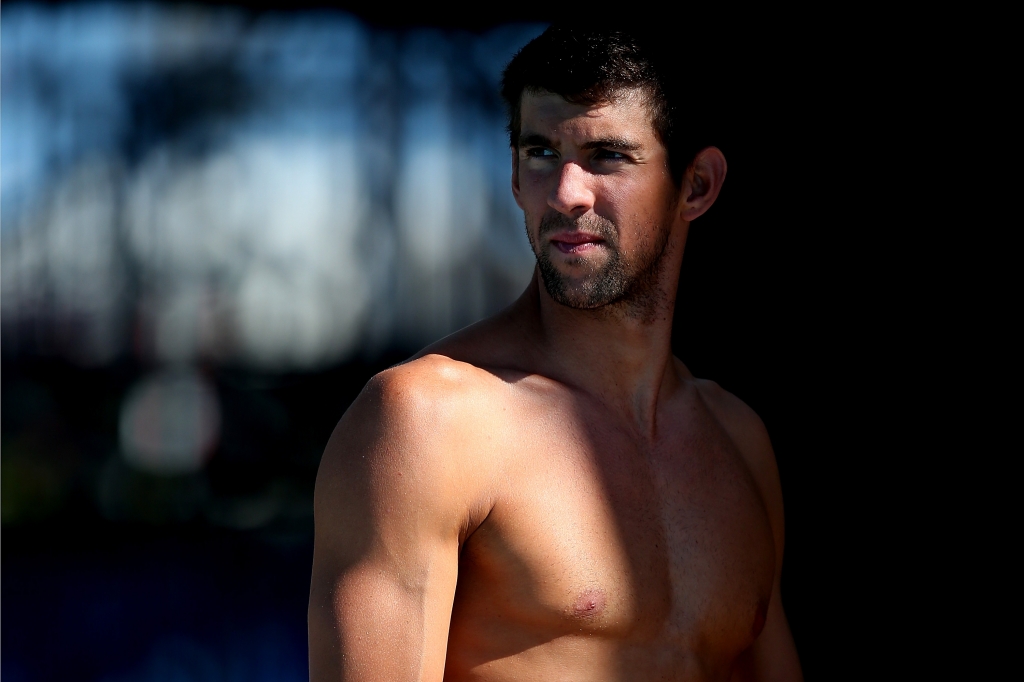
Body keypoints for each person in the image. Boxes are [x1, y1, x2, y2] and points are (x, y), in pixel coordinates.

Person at [309, 25, 802, 681]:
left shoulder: (738, 441)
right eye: (541, 152)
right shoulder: (427, 423)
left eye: (606, 156)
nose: (566, 192)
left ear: (697, 186)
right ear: (514, 176)